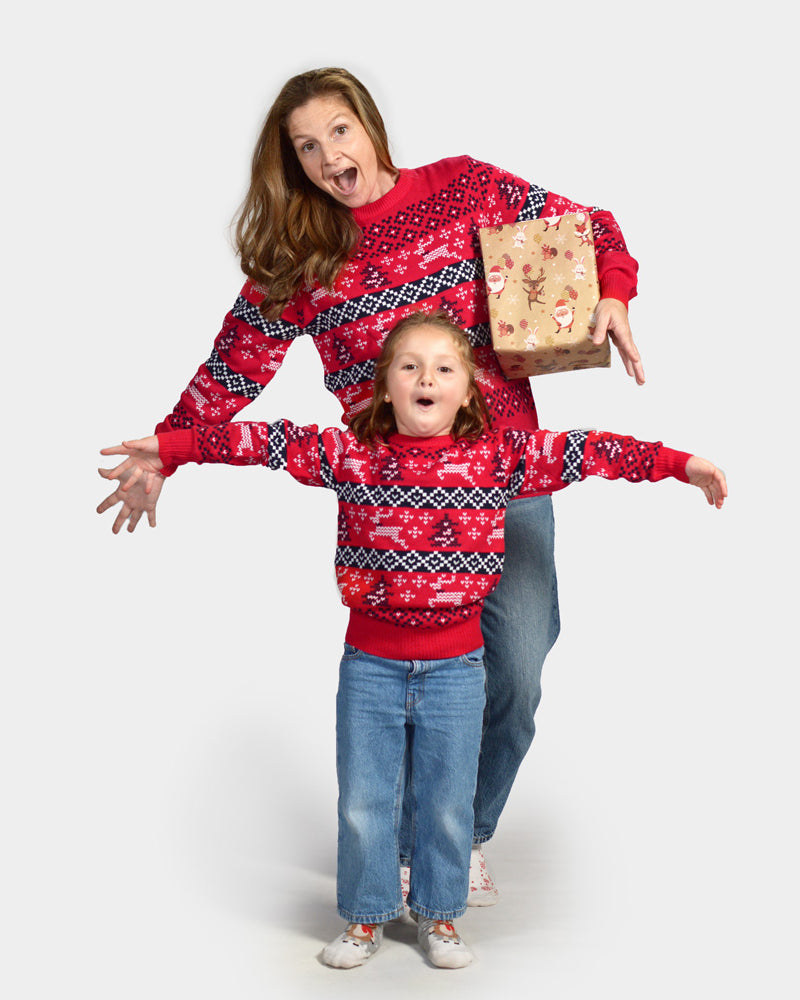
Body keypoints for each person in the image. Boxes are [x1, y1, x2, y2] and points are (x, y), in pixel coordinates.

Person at [96, 66, 646, 901]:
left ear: (370, 127)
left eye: (338, 132)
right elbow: (233, 368)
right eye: (306, 147)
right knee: (399, 682)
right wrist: (167, 448)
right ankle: (398, 848)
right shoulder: (305, 255)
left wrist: (613, 295)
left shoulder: (463, 190)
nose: (327, 157)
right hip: (388, 500)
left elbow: (592, 227)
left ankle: (460, 829)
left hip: (505, 471)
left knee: (521, 669)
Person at [99, 311, 727, 968]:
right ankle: (367, 917)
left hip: (457, 669)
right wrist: (171, 448)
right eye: (409, 366)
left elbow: (592, 451)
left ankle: (441, 917)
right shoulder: (352, 456)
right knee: (366, 797)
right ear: (385, 388)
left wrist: (680, 465)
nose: (427, 377)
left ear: (469, 390)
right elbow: (264, 441)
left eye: (444, 368)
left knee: (448, 800)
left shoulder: (498, 459)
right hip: (370, 666)